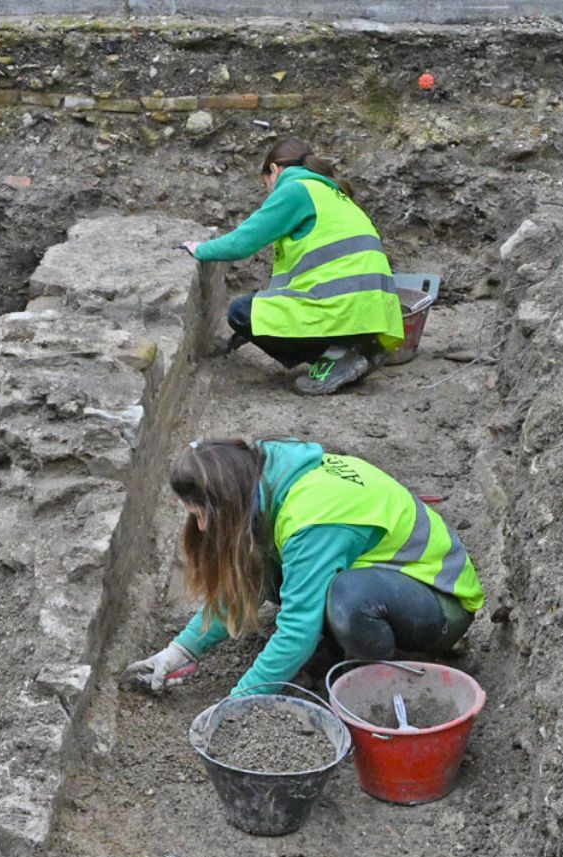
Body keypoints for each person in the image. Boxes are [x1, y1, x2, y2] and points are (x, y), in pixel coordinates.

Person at [125, 438, 483, 697]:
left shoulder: (311, 520)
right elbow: (247, 581)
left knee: (350, 598)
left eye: (203, 515)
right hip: (390, 582)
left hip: (439, 603)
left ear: (229, 499)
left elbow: (298, 630)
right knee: (271, 566)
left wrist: (239, 701)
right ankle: (334, 648)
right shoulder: (267, 478)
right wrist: (180, 651)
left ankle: (368, 687)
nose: (202, 528)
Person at [178, 138, 405, 395]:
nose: (269, 192)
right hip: (372, 314)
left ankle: (339, 358)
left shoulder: (295, 190)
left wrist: (200, 249)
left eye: (266, 184)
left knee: (241, 312)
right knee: (259, 309)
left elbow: (242, 243)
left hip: (342, 310)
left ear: (274, 170)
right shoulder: (334, 194)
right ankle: (361, 349)